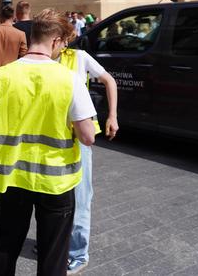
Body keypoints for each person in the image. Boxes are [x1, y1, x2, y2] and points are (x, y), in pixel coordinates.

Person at [0, 9, 97, 275]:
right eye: (63, 44)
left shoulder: (2, 76)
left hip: (13, 178)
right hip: (56, 181)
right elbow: (88, 137)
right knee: (53, 254)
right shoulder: (70, 80)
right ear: (56, 40)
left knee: (5, 246)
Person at [57, 30, 119, 275]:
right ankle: (58, 243)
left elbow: (109, 80)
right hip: (54, 136)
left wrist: (112, 115)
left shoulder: (79, 57)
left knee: (81, 196)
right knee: (56, 193)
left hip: (79, 135)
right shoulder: (41, 59)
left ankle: (78, 254)